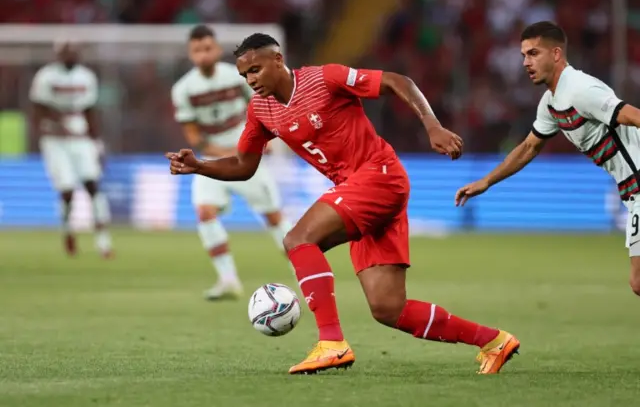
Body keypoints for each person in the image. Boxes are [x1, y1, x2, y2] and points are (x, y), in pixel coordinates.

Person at [167, 33, 520, 374]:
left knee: (298, 239)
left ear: (278, 60)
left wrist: (433, 126)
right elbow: (244, 165)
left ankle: (332, 343)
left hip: (378, 175)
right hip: (360, 190)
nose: (250, 80)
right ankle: (493, 341)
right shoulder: (261, 109)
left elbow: (398, 81)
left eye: (255, 70)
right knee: (389, 309)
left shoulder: (325, 78)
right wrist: (200, 166)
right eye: (245, 75)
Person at [455, 21, 640, 297]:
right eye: (523, 56)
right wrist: (487, 182)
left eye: (533, 53)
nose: (525, 62)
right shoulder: (551, 103)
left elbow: (632, 115)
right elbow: (529, 147)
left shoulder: (580, 89)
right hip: (631, 191)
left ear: (556, 54)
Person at [171, 26, 292, 301]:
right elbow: (194, 136)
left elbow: (263, 104)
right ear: (191, 55)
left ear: (216, 49)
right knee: (204, 212)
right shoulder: (183, 89)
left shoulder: (237, 76)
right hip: (212, 159)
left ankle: (302, 271)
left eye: (207, 48)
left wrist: (265, 137)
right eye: (197, 50)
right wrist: (222, 150)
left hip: (248, 151)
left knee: (272, 215)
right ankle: (228, 280)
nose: (203, 55)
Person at [29, 41, 113, 258]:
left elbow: (90, 110)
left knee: (92, 184)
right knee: (67, 190)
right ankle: (68, 230)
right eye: (67, 53)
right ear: (58, 55)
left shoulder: (86, 77)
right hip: (55, 140)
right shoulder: (46, 77)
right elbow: (38, 109)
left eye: (74, 52)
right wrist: (57, 123)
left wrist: (97, 142)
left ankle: (103, 242)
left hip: (80, 137)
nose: (71, 56)